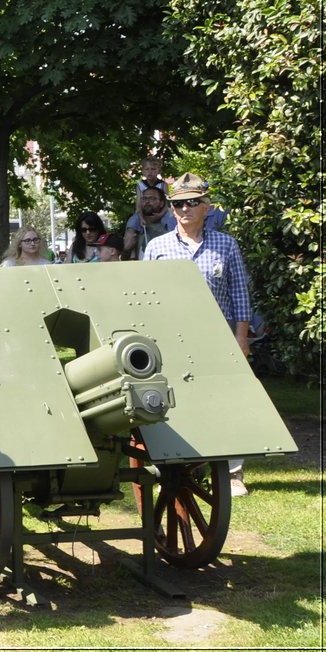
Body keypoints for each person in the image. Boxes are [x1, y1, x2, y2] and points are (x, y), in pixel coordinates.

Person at [142, 173, 253, 496]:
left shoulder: (225, 244)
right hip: (170, 341)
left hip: (217, 339)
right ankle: (183, 466)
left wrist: (241, 337)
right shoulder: (156, 247)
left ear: (206, 207)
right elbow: (144, 297)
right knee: (177, 405)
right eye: (178, 204)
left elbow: (239, 294)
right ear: (170, 207)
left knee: (227, 403)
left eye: (192, 203)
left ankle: (232, 473)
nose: (185, 209)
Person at [124, 186, 176, 259]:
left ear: (161, 203)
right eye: (144, 198)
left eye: (152, 198)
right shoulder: (135, 225)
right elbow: (125, 258)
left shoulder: (171, 221)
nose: (147, 202)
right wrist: (126, 250)